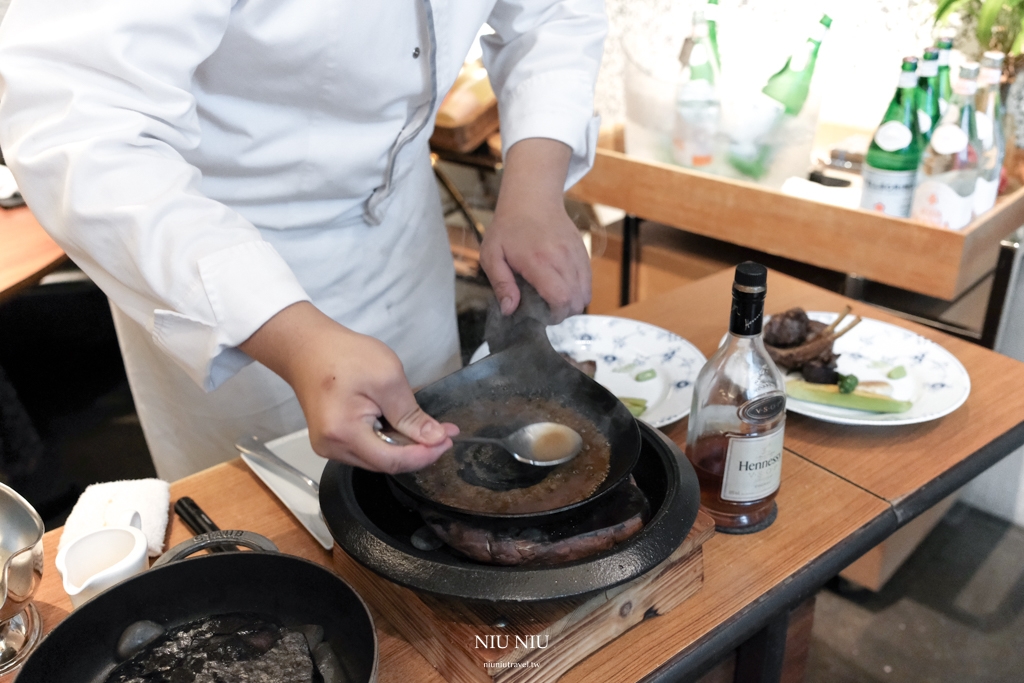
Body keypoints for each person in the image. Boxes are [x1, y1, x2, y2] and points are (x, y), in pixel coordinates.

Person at [0, 1, 606, 481]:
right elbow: (78, 125)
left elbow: (553, 12)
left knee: (442, 487)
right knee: (274, 550)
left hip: (402, 228)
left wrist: (533, 187)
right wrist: (295, 340)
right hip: (220, 265)